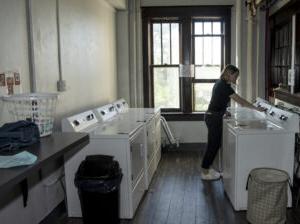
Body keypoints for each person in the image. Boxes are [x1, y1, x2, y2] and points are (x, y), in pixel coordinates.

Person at [201, 64, 264, 180]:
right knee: (213, 145)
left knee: (215, 144)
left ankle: (207, 169)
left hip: (213, 116)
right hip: (213, 118)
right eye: (235, 76)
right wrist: (256, 108)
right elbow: (241, 101)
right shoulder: (224, 86)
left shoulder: (221, 83)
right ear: (229, 74)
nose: (236, 79)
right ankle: (205, 172)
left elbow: (218, 101)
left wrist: (224, 112)